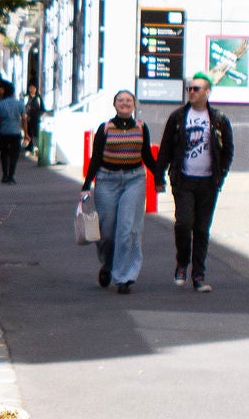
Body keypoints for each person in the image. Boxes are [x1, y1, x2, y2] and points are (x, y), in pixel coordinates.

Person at [156, 73, 234, 292]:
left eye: (196, 89)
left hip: (208, 182)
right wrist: (158, 176)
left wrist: (222, 173)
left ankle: (198, 275)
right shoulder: (178, 117)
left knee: (201, 228)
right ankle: (182, 263)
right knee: (183, 222)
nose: (191, 92)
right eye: (189, 89)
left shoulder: (218, 118)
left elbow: (228, 149)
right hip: (183, 179)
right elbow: (165, 148)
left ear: (207, 92)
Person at [82, 89, 161, 293]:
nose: (125, 103)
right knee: (106, 232)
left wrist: (159, 177)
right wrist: (86, 185)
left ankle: (124, 277)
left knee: (128, 229)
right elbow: (96, 157)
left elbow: (147, 156)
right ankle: (108, 265)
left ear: (133, 105)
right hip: (107, 180)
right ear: (115, 104)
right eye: (120, 100)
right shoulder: (105, 128)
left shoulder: (141, 128)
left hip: (134, 180)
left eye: (128, 100)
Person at [0, 83, 25, 183]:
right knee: (14, 155)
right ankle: (11, 176)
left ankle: (4, 175)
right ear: (13, 92)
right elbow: (24, 119)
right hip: (16, 132)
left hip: (4, 132)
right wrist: (26, 132)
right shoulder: (20, 103)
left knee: (4, 154)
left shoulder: (0, 104)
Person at [23, 83, 43, 159]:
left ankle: (36, 148)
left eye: (33, 87)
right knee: (28, 133)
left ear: (36, 89)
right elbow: (23, 107)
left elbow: (42, 108)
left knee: (36, 134)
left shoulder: (38, 98)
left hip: (36, 119)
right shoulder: (26, 97)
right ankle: (28, 149)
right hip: (28, 119)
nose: (32, 89)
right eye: (30, 87)